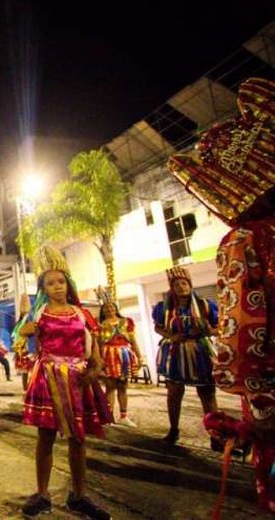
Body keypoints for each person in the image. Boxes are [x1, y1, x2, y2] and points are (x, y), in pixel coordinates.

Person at [167, 77, 275, 515]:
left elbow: (236, 330)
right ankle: (175, 430)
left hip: (265, 376)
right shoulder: (168, 307)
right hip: (182, 353)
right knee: (179, 391)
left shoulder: (245, 240)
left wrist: (237, 372)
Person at [17, 246, 112, 519]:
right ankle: (42, 494)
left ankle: (79, 496)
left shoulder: (82, 314)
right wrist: (26, 330)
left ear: (68, 284)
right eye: (50, 283)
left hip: (78, 382)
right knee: (45, 438)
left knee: (78, 439)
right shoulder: (39, 313)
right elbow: (19, 336)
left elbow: (93, 347)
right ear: (43, 288)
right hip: (48, 379)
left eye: (61, 281)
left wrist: (95, 368)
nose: (57, 287)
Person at [152, 265, 219, 447]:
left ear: (190, 285)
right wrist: (171, 336)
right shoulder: (164, 308)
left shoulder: (205, 305)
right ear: (171, 288)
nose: (181, 287)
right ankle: (173, 430)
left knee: (207, 393)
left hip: (200, 351)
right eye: (177, 285)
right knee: (174, 393)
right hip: (175, 352)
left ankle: (215, 435)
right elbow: (158, 326)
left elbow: (219, 327)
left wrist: (206, 330)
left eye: (184, 283)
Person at [97, 298, 142, 427]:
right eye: (106, 308)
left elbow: (133, 341)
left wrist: (139, 357)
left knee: (123, 386)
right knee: (110, 387)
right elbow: (99, 344)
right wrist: (100, 361)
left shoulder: (126, 322)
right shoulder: (100, 325)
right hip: (108, 356)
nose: (109, 310)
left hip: (124, 355)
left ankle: (124, 416)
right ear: (103, 311)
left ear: (116, 309)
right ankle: (108, 417)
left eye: (112, 307)